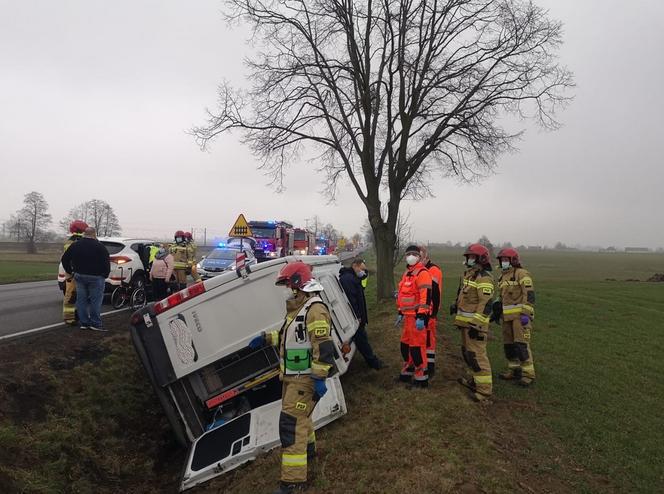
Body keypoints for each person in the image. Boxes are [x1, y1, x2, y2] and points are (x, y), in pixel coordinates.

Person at [248, 261, 337, 494]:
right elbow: (289, 337)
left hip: (304, 379)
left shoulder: (314, 308)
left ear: (300, 282)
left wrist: (319, 377)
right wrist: (266, 338)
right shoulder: (300, 308)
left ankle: (292, 481)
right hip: (294, 377)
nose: (289, 289)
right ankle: (308, 453)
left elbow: (323, 346)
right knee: (301, 420)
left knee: (291, 425)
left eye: (290, 284)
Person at [450, 244, 495, 401]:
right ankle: (475, 381)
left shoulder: (485, 278)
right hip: (465, 325)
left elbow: (486, 305)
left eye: (471, 257)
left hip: (475, 327)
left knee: (477, 356)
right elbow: (465, 296)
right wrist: (456, 305)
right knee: (468, 354)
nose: (468, 260)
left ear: (480, 259)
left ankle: (484, 390)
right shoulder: (469, 276)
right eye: (467, 257)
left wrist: (477, 325)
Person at [493, 247, 536, 386]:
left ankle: (528, 374)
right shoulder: (503, 276)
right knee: (509, 346)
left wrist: (526, 314)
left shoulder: (522, 274)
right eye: (502, 260)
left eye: (506, 259)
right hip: (507, 318)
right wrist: (497, 308)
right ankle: (514, 370)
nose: (503, 262)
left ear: (513, 260)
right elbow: (502, 296)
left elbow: (529, 295)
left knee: (521, 345)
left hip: (519, 318)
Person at [395, 245, 433, 388]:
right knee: (405, 346)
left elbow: (426, 296)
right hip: (407, 317)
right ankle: (408, 370)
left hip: (418, 317)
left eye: (413, 254)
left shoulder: (422, 273)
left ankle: (421, 378)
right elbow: (402, 295)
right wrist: (400, 312)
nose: (411, 256)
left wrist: (422, 316)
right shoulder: (407, 273)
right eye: (408, 254)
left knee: (417, 348)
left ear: (418, 256)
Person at [60, 227, 110, 332]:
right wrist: (105, 275)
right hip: (96, 277)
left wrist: (70, 271)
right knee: (95, 301)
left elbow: (65, 259)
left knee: (81, 300)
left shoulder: (75, 245)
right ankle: (96, 324)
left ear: (84, 234)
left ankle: (84, 323)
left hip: (79, 276)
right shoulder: (100, 247)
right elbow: (106, 262)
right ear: (94, 234)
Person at [338, 258, 384, 370]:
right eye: (361, 269)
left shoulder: (351, 277)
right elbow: (352, 300)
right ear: (355, 265)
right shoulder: (348, 279)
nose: (362, 271)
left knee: (361, 340)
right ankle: (374, 364)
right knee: (362, 341)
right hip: (354, 318)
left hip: (355, 318)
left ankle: (372, 361)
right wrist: (357, 316)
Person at [420, 246, 442, 378]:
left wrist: (432, 312)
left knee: (429, 342)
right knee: (423, 340)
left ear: (427, 257)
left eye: (421, 257)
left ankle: (430, 367)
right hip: (422, 311)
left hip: (430, 311)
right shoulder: (421, 270)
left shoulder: (433, 270)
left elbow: (432, 292)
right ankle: (424, 365)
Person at [62, 219, 88, 325]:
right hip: (74, 272)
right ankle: (69, 318)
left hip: (74, 272)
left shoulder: (71, 241)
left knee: (75, 295)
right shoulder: (75, 242)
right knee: (71, 295)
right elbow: (68, 259)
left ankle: (74, 315)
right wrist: (70, 271)